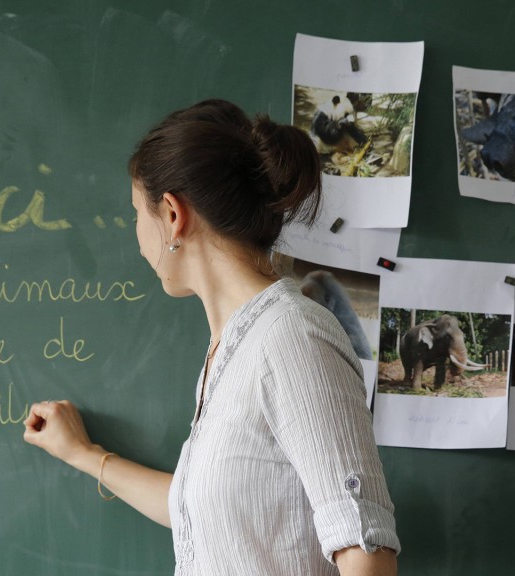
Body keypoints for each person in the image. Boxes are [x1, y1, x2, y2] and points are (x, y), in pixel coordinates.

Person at [23, 99, 400, 575]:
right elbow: (201, 516)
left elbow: (366, 554)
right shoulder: (235, 349)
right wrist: (84, 455)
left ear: (173, 214)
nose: (137, 237)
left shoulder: (293, 338)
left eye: (136, 213)